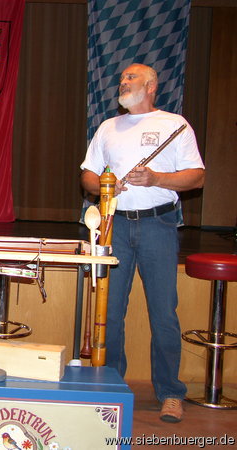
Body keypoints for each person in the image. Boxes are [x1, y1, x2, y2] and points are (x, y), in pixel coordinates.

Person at [80, 63, 205, 423]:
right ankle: (111, 386)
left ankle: (170, 393)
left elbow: (197, 176)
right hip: (113, 225)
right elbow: (87, 174)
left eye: (131, 77)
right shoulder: (108, 127)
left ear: (151, 85)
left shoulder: (174, 124)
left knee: (164, 313)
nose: (124, 81)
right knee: (111, 313)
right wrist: (104, 183)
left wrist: (156, 178)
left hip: (158, 226)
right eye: (122, 78)